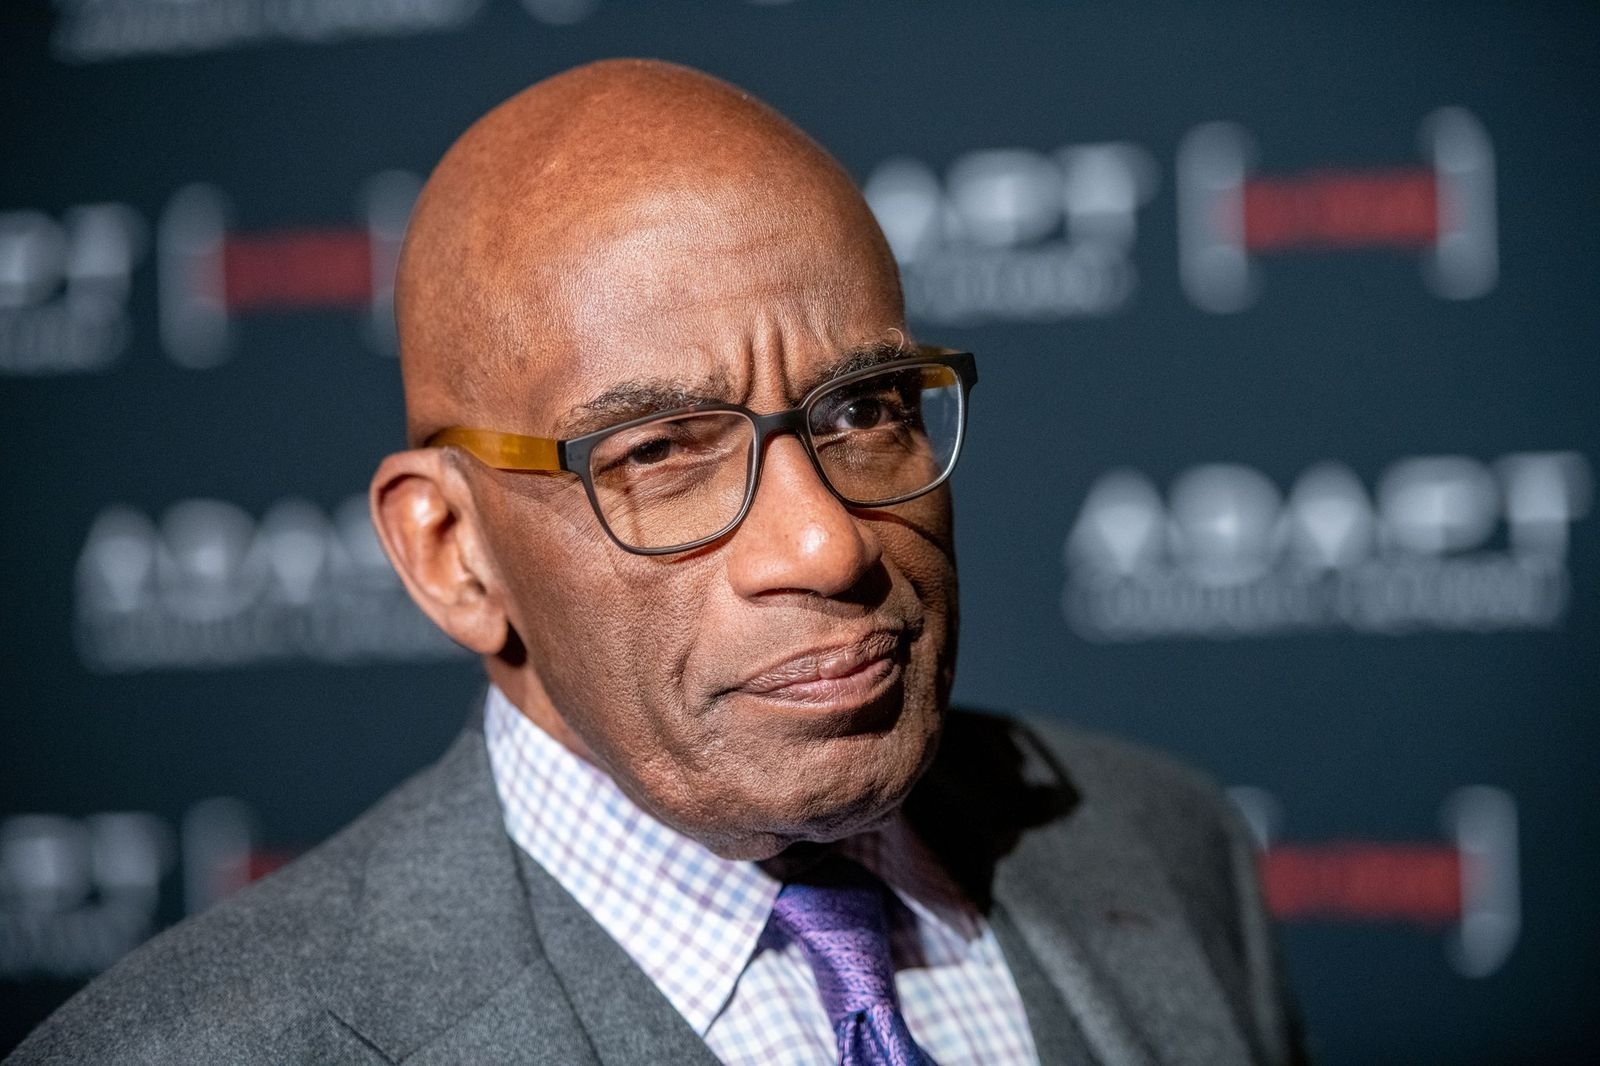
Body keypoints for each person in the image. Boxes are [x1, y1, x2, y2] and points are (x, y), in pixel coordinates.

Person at [9, 59, 1305, 1065]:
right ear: (452, 552)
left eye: (864, 410)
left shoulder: (1162, 843)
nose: (824, 541)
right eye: (663, 452)